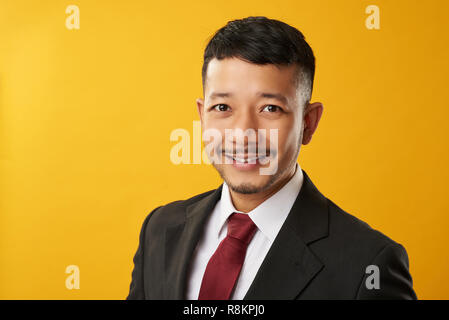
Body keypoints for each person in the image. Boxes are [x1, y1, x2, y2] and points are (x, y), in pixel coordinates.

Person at [126, 16, 417, 300]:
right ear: (202, 117)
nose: (243, 134)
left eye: (270, 109)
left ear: (309, 122)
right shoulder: (160, 229)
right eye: (223, 106)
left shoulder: (368, 264)